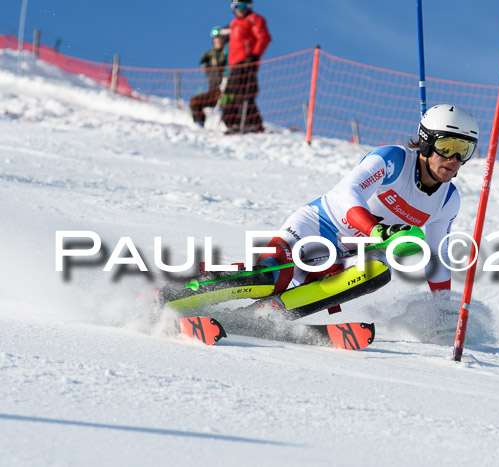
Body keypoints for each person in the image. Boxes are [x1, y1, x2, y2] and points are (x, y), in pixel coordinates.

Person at [250, 104, 479, 318]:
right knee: (271, 277)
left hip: (350, 257)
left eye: (464, 150)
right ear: (426, 141)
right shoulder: (393, 160)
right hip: (318, 227)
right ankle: (216, 283)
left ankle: (272, 314)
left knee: (377, 271)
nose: (454, 159)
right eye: (447, 146)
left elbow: (437, 255)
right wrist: (376, 231)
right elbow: (349, 192)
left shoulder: (448, 199)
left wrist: (442, 309)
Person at [220, 0, 271, 134]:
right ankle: (234, 122)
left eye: (244, 6)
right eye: (237, 6)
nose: (240, 9)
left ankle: (253, 123)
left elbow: (264, 37)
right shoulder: (234, 23)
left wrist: (254, 55)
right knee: (231, 94)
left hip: (247, 62)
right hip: (234, 65)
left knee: (246, 92)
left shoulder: (254, 19)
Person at [189, 27, 229, 127]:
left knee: (229, 108)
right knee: (195, 101)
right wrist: (206, 65)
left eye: (220, 39)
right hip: (213, 91)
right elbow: (205, 64)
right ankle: (199, 124)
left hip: (227, 91)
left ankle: (233, 126)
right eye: (216, 39)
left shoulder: (227, 53)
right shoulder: (210, 55)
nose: (218, 42)